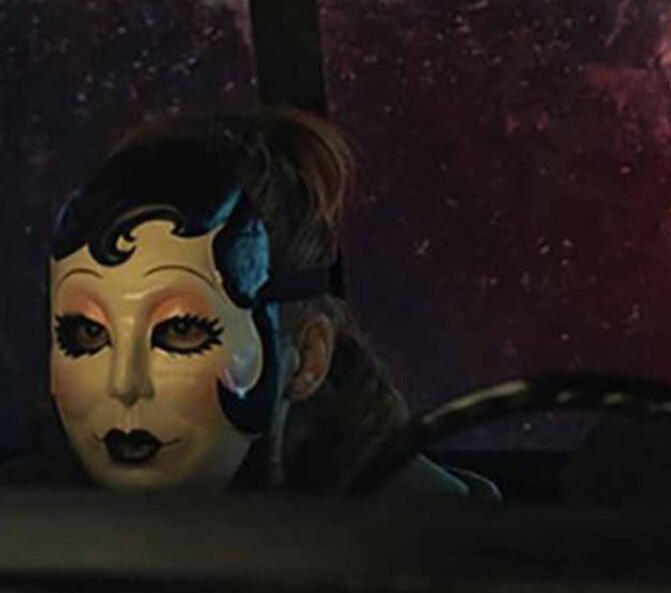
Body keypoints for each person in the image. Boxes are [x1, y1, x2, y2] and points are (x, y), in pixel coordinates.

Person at [6, 108, 476, 496]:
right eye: (88, 333)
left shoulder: (426, 542)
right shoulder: (22, 523)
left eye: (181, 330)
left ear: (307, 357)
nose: (124, 385)